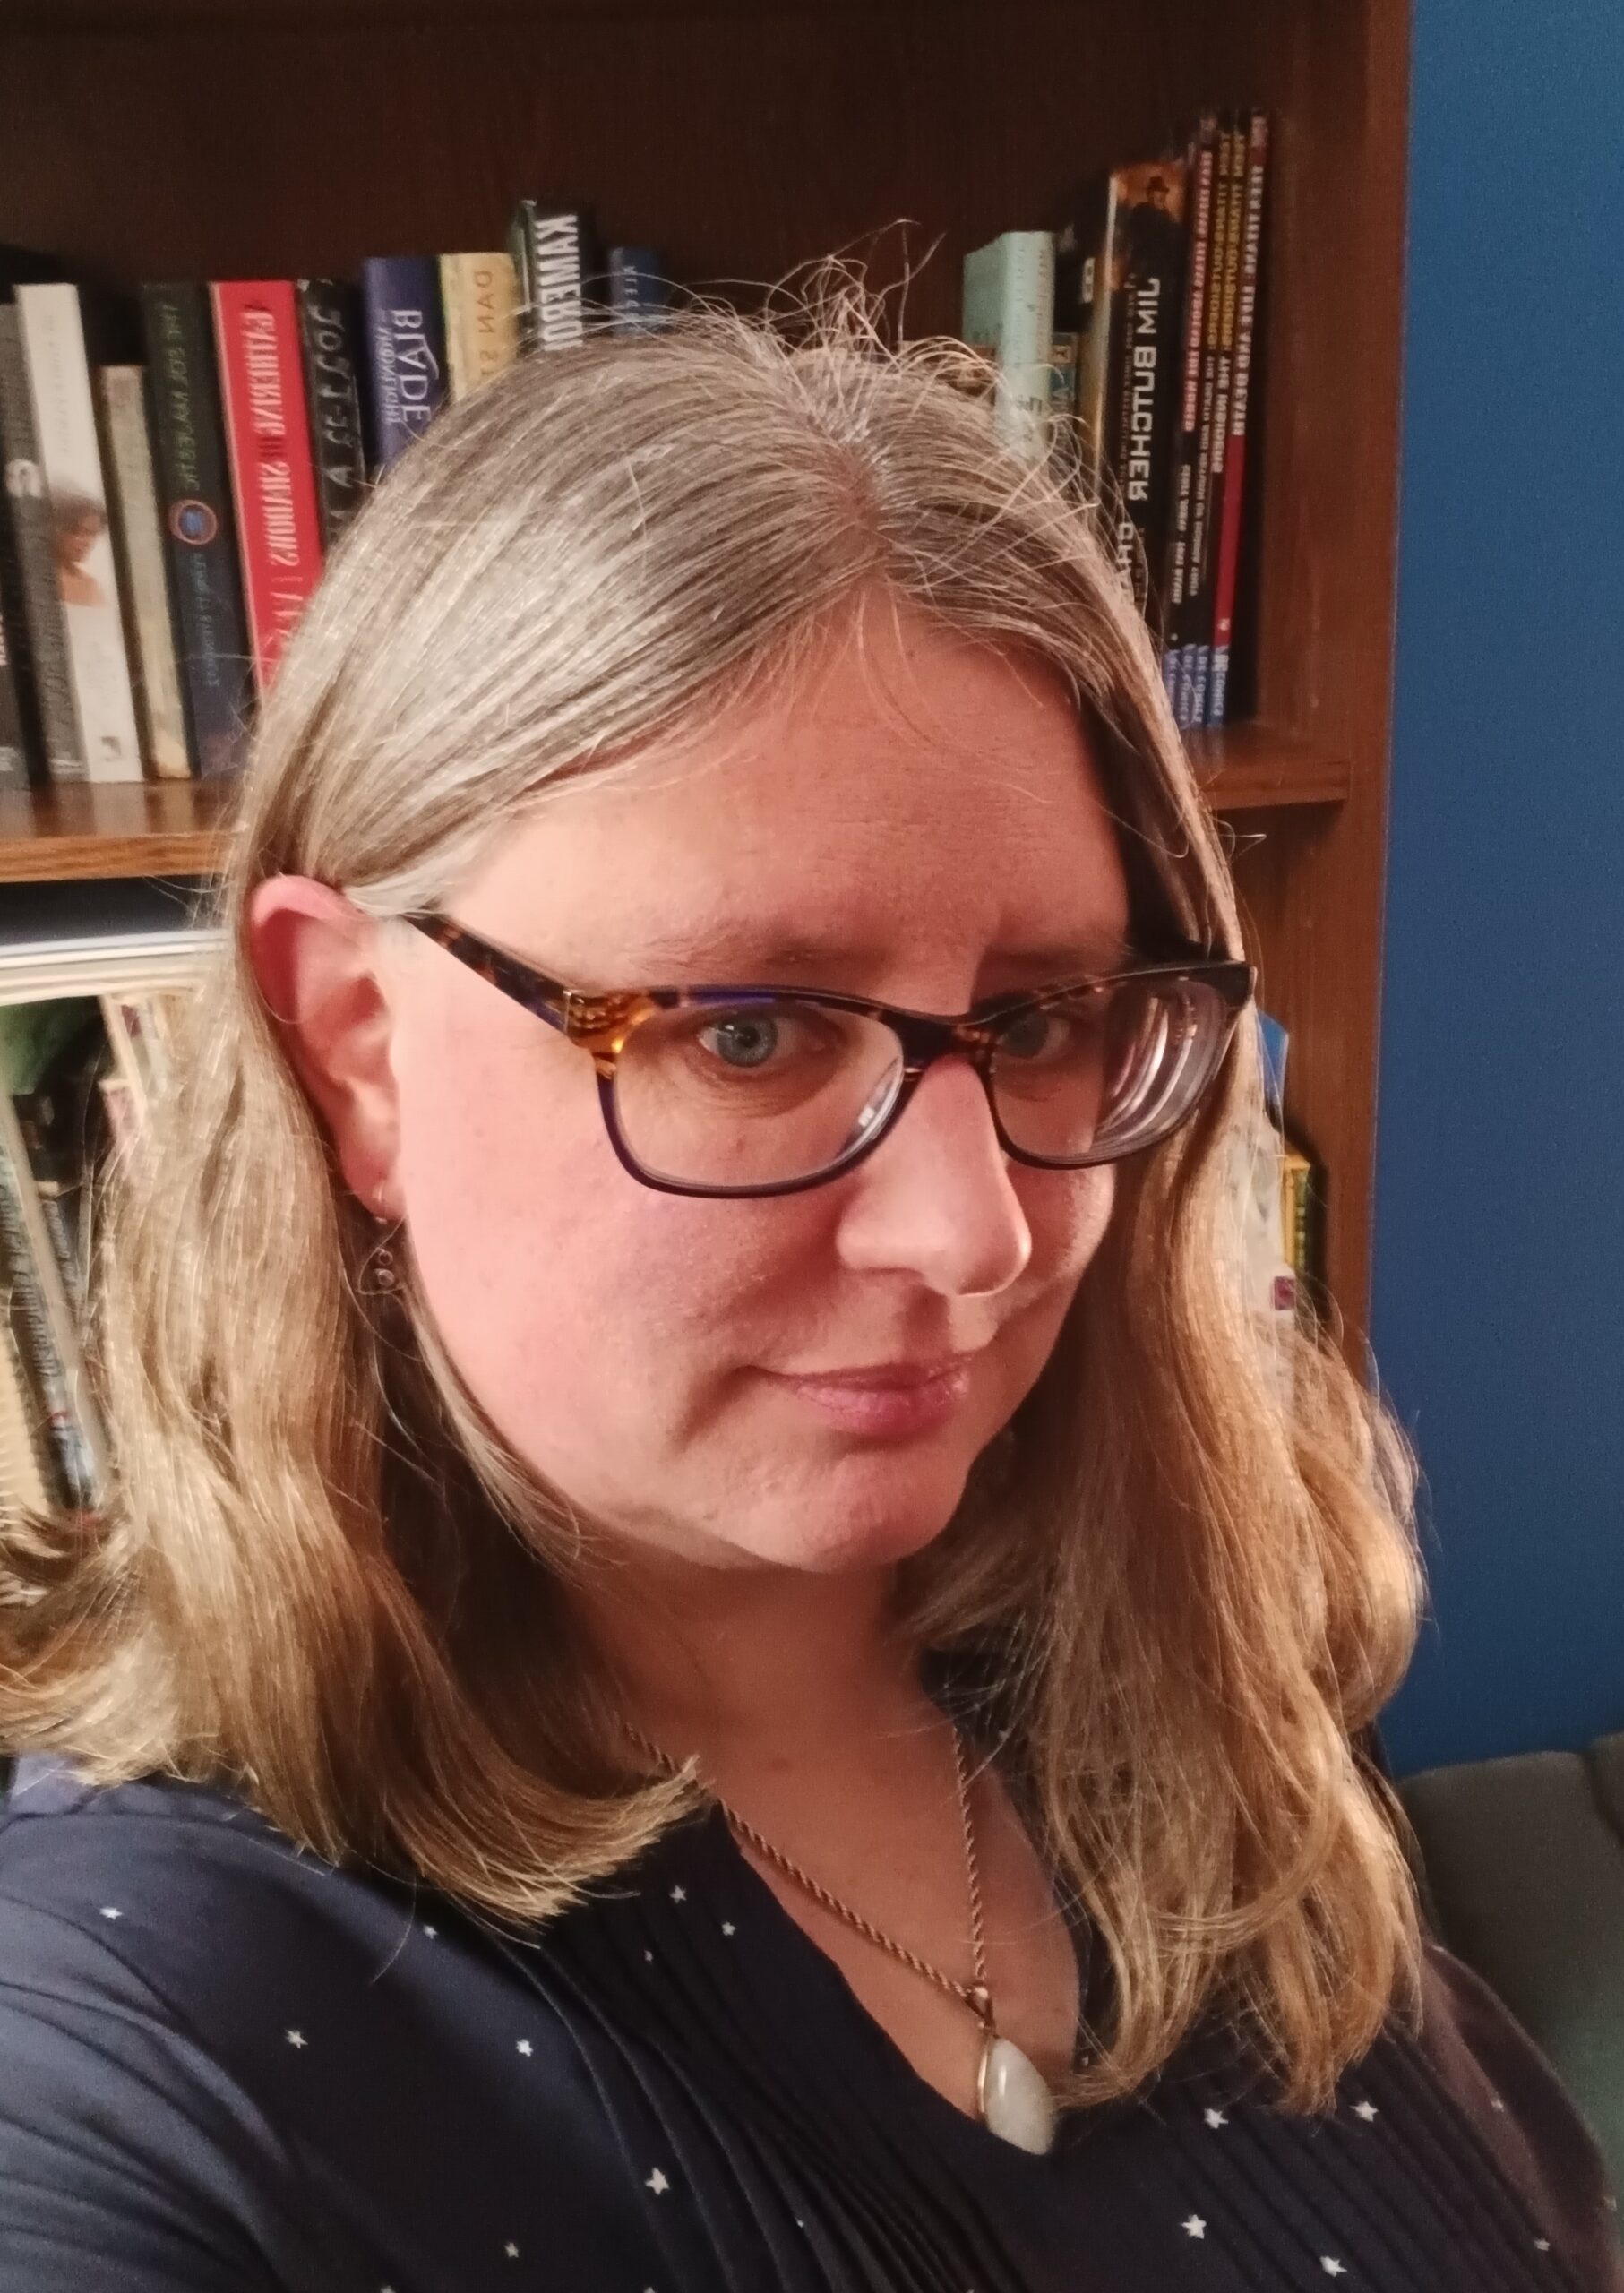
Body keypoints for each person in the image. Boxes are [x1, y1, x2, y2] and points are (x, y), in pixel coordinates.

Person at [0, 293, 1618, 2292]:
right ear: (357, 1049)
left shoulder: (1155, 1641)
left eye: (1041, 1017)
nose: (979, 1236)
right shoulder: (136, 2018)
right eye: (749, 1033)